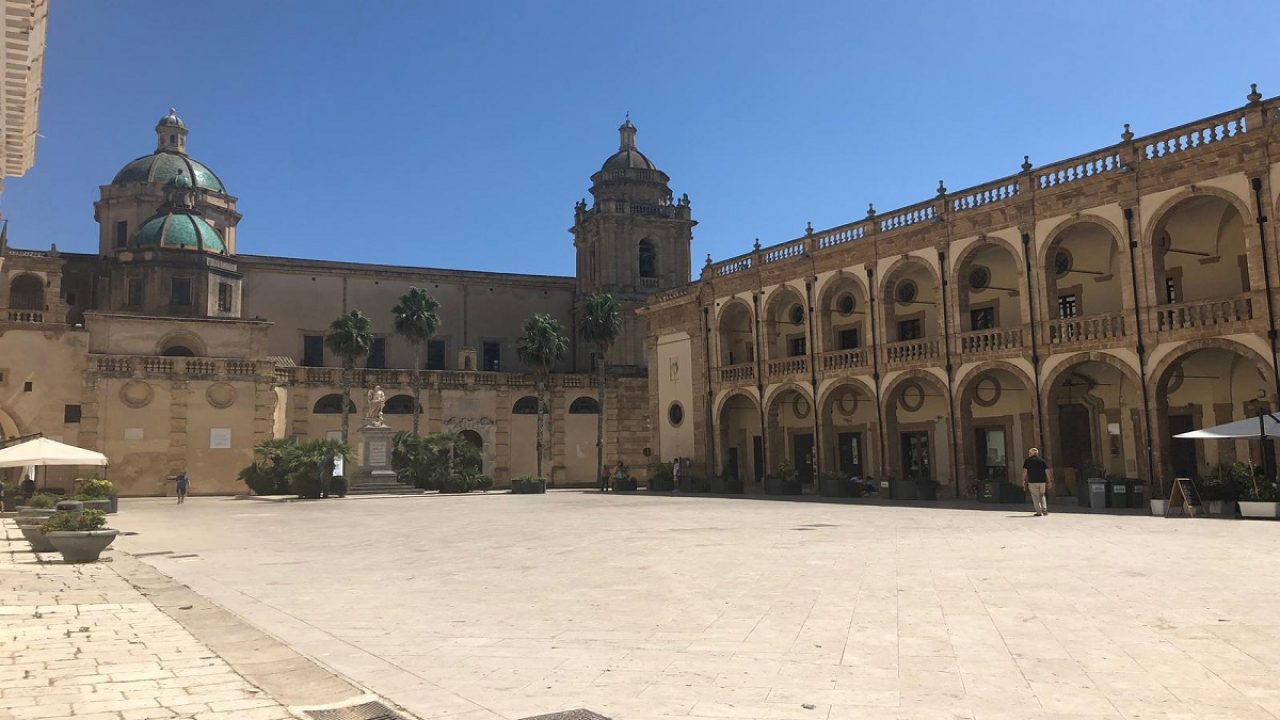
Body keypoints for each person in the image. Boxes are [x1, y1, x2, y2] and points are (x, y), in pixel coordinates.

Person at [1021, 447, 1053, 516]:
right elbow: (1047, 471)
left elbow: (1025, 472)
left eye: (1029, 453)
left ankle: (1039, 511)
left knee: (1035, 496)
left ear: (1032, 453)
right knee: (1042, 495)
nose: (1029, 454)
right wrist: (1049, 481)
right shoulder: (1042, 461)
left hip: (1032, 481)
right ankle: (1044, 510)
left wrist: (1023, 480)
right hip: (1042, 482)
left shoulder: (1027, 461)